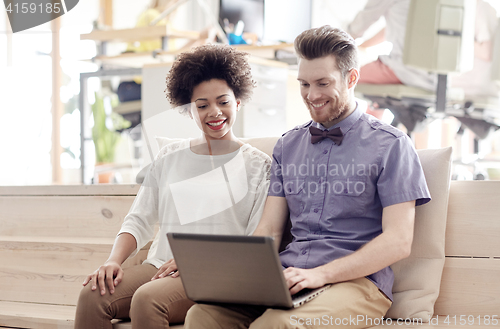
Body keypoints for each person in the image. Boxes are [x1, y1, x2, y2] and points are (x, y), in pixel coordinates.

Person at [184, 25, 431, 329]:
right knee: (202, 316)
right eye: (304, 84)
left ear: (351, 78)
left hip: (358, 284)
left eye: (323, 83)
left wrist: (322, 274)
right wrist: (240, 274)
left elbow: (398, 241)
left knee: (274, 325)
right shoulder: (288, 146)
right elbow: (270, 230)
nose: (311, 96)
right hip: (290, 276)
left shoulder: (392, 145)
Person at [74, 44, 271, 329]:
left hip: (213, 273)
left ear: (238, 102)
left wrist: (197, 260)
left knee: (148, 299)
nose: (214, 112)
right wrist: (113, 260)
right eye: (202, 105)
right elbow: (139, 219)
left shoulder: (259, 166)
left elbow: (255, 240)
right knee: (92, 294)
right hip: (158, 266)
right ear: (189, 111)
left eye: (223, 101)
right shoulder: (169, 157)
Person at [347, 0, 437, 91]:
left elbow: (360, 23)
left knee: (344, 77)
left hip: (403, 71)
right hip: (438, 79)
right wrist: (362, 46)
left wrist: (346, 36)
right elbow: (395, 28)